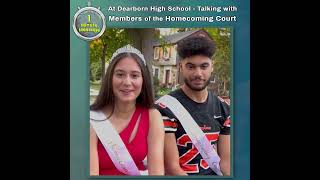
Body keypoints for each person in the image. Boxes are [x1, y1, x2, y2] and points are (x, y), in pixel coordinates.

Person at [155, 36, 231, 176]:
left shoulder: (223, 108)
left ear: (212, 66)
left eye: (204, 66)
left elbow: (226, 162)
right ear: (180, 67)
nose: (198, 73)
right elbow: (172, 168)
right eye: (191, 66)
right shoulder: (164, 108)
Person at [90, 45, 164, 176]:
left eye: (135, 76)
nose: (127, 82)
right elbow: (91, 173)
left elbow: (157, 172)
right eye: (120, 75)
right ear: (110, 78)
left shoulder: (153, 116)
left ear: (143, 80)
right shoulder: (92, 118)